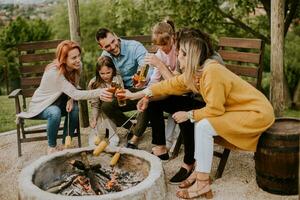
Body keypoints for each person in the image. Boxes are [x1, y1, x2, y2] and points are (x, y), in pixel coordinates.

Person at [122, 29, 275, 199]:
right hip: (238, 111)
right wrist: (138, 95)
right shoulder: (197, 72)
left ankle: (202, 182)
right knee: (203, 126)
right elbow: (169, 85)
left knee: (203, 126)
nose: (177, 55)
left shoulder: (212, 72)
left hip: (255, 113)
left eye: (179, 52)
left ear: (189, 55)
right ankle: (200, 175)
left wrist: (188, 115)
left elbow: (216, 110)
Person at [17, 40, 113, 154]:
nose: (78, 60)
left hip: (61, 100)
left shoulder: (77, 65)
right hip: (43, 105)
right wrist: (99, 91)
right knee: (55, 112)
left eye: (79, 56)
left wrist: (70, 99)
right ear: (63, 59)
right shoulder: (54, 72)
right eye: (73, 58)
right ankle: (51, 147)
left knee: (75, 109)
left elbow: (73, 87)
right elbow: (76, 93)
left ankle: (65, 145)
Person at [95, 28, 150, 149]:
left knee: (146, 98)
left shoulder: (134, 47)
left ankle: (134, 139)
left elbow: (146, 66)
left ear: (115, 35)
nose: (113, 47)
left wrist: (143, 79)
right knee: (106, 106)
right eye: (108, 46)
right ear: (101, 47)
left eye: (113, 41)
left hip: (140, 89)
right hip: (122, 93)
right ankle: (132, 128)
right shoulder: (105, 56)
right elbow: (100, 76)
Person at [88, 56, 123, 147]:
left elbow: (121, 96)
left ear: (113, 70)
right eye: (102, 73)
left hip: (114, 106)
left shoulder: (117, 79)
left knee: (106, 106)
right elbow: (95, 104)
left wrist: (115, 92)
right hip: (100, 109)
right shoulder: (94, 83)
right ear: (98, 72)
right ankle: (101, 136)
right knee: (98, 128)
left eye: (108, 72)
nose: (106, 76)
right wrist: (94, 118)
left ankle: (112, 136)